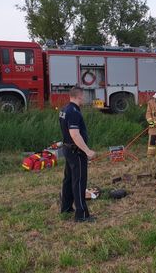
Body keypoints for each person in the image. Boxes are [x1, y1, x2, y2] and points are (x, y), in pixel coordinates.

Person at [59, 87, 96, 223]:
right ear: (79, 96)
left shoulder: (64, 110)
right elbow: (75, 134)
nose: (84, 99)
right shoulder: (74, 112)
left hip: (68, 149)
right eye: (83, 96)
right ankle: (81, 215)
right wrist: (87, 151)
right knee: (79, 182)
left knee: (68, 180)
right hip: (76, 151)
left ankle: (66, 208)